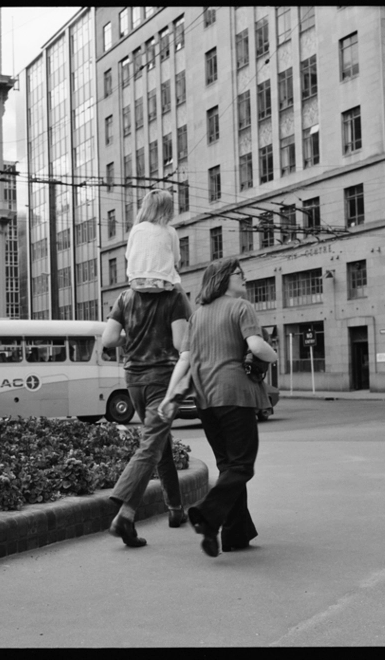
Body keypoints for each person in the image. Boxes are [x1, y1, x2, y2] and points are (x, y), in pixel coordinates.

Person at [159, 258, 278, 557]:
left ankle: (235, 534)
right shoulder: (241, 307)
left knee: (228, 466)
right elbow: (257, 344)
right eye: (240, 274)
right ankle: (208, 514)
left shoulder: (197, 316)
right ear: (225, 278)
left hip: (205, 400)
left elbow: (184, 360)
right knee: (241, 466)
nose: (245, 279)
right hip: (235, 395)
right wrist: (273, 354)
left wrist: (170, 395)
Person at [102, 282, 193, 548]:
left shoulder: (125, 297)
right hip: (162, 379)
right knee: (151, 444)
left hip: (134, 382)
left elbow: (108, 340)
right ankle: (125, 512)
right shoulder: (175, 295)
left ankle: (175, 508)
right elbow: (180, 342)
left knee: (160, 442)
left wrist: (129, 338)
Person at [126, 189, 182, 293]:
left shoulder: (136, 229)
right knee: (178, 287)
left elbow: (128, 256)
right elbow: (176, 258)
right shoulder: (170, 231)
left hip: (136, 281)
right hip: (162, 282)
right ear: (168, 210)